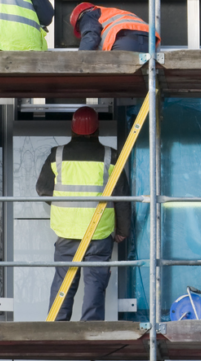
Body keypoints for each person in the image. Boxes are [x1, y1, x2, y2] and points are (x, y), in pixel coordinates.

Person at [36, 106, 131, 321]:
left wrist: (65, 205)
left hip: (67, 230)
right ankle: (91, 329)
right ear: (97, 129)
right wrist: (123, 230)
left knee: (64, 282)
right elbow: (122, 196)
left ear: (72, 128)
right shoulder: (110, 156)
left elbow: (42, 188)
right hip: (99, 232)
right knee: (95, 284)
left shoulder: (57, 154)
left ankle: (56, 329)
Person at [69, 3, 160, 51]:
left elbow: (90, 38)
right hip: (150, 43)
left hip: (125, 42)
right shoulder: (111, 12)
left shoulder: (87, 15)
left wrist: (80, 59)